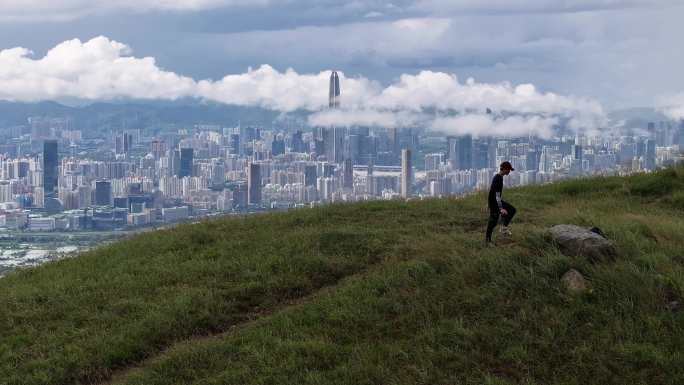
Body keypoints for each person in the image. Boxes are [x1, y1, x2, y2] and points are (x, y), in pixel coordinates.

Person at [486, 161, 517, 245]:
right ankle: (488, 241)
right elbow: (496, 194)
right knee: (492, 221)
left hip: (495, 201)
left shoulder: (499, 177)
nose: (509, 172)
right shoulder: (498, 178)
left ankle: (503, 227)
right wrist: (501, 208)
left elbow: (492, 191)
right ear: (505, 169)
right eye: (509, 170)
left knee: (512, 210)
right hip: (494, 202)